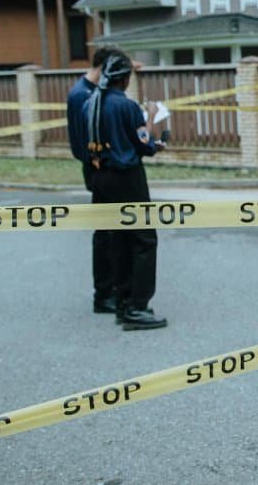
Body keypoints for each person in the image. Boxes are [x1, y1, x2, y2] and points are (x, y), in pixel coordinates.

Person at [83, 52, 168, 331]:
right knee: (143, 241)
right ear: (124, 78)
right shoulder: (126, 106)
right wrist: (151, 118)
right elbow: (145, 145)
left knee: (118, 239)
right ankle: (137, 307)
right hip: (127, 177)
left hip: (101, 175)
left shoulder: (90, 103)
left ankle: (121, 301)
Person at [66, 46, 125, 316]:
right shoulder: (82, 95)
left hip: (103, 168)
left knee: (111, 233)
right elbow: (82, 143)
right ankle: (104, 294)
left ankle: (110, 290)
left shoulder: (93, 91)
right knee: (106, 235)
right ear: (104, 68)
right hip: (98, 170)